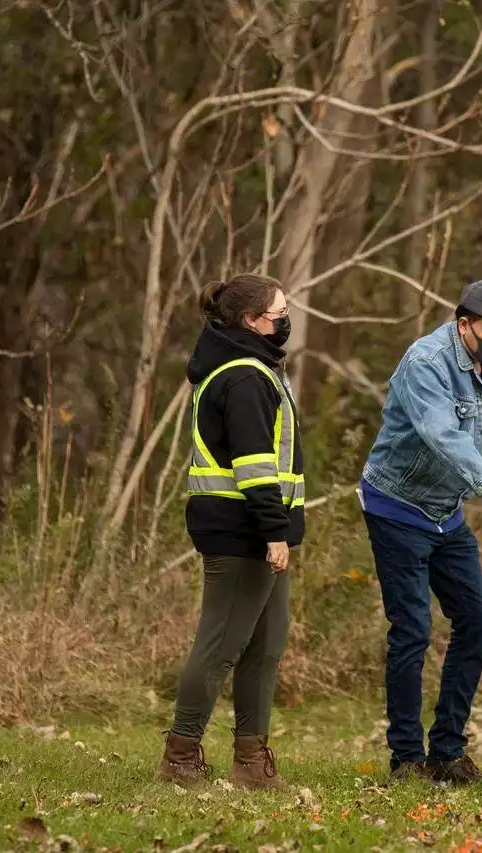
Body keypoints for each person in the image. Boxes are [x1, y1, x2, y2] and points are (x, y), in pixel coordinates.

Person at [360, 278, 482, 785]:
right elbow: (444, 437)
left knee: (477, 620)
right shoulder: (425, 363)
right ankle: (406, 758)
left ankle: (447, 751)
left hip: (445, 512)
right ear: (463, 323)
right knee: (412, 632)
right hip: (397, 507)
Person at [156, 273, 306, 791]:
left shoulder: (255, 370)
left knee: (266, 647)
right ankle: (180, 755)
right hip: (244, 533)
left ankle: (250, 762)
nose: (285, 322)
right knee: (219, 644)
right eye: (278, 314)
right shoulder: (244, 378)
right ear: (250, 321)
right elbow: (255, 465)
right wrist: (273, 531)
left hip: (262, 531)